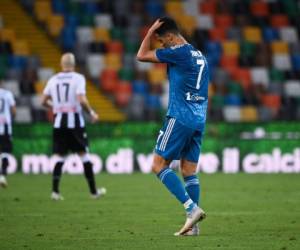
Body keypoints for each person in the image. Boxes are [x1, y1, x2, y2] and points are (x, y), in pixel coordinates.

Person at [137, 17, 209, 236]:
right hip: (199, 118)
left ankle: (191, 208)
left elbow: (141, 56)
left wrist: (150, 32)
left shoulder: (178, 52)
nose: (161, 46)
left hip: (179, 116)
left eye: (161, 41)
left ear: (170, 37)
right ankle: (192, 227)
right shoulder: (200, 56)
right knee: (188, 170)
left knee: (158, 165)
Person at [41, 53, 106, 201]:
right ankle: (93, 192)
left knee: (60, 157)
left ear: (61, 64)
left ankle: (55, 192)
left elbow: (43, 101)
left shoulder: (53, 79)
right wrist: (91, 113)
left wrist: (56, 106)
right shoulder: (78, 78)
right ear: (74, 64)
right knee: (84, 155)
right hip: (75, 123)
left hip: (58, 123)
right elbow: (81, 99)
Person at [0, 84, 16, 188]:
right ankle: (2, 175)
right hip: (5, 127)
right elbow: (13, 111)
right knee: (5, 152)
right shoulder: (7, 94)